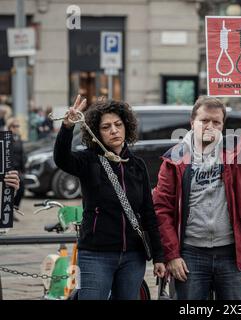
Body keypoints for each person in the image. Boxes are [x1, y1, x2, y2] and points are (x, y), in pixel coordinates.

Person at [153, 79, 241, 300]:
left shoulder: (236, 153)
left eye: (216, 122)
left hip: (231, 252)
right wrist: (171, 255)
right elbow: (161, 210)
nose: (210, 126)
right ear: (192, 122)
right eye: (204, 121)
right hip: (190, 255)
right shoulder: (174, 160)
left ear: (223, 125)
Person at [53, 95, 165, 300]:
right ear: (96, 133)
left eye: (118, 124)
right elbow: (62, 159)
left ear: (126, 126)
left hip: (133, 256)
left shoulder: (137, 164)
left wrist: (159, 256)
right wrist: (67, 127)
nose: (114, 130)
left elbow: (149, 212)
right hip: (96, 254)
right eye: (106, 127)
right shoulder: (88, 160)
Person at [6, 118, 26, 217]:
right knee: (11, 190)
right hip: (10, 170)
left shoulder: (19, 138)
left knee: (21, 190)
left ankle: (14, 209)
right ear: (9, 127)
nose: (16, 128)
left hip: (19, 170)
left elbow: (22, 154)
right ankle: (9, 212)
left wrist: (23, 169)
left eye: (18, 126)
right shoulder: (7, 139)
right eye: (14, 126)